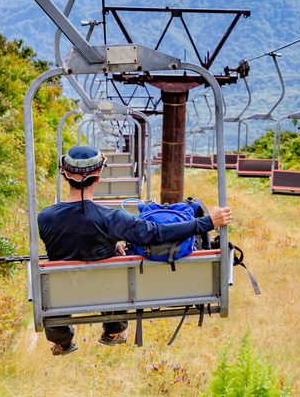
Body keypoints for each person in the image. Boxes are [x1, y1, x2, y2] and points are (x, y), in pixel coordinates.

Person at [38, 145, 232, 356]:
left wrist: (109, 244)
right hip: (109, 294)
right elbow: (156, 233)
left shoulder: (45, 218)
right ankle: (114, 330)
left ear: (65, 176)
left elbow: (76, 243)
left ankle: (62, 339)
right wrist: (207, 222)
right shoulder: (111, 219)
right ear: (98, 177)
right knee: (119, 268)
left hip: (64, 295)